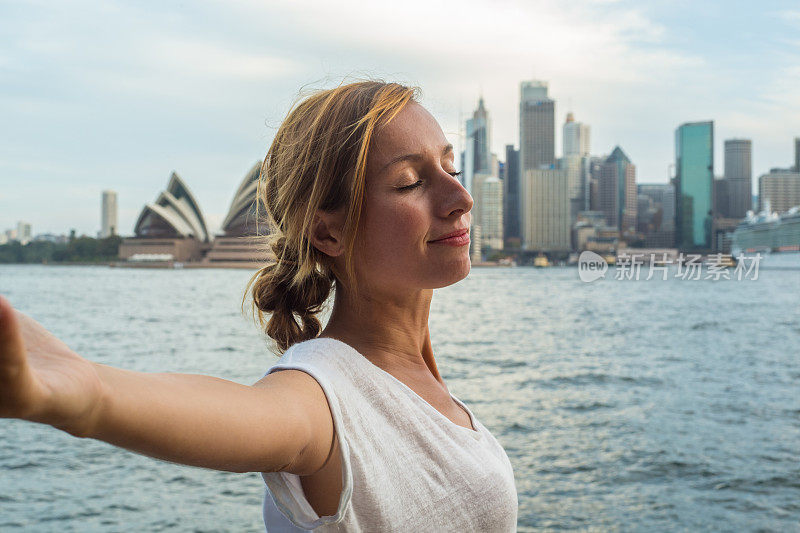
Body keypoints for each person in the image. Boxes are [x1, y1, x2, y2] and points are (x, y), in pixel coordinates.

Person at [0, 80, 518, 532]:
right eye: (410, 182)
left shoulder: (409, 370)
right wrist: (88, 395)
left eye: (451, 167)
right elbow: (254, 416)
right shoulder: (324, 394)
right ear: (328, 232)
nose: (461, 196)